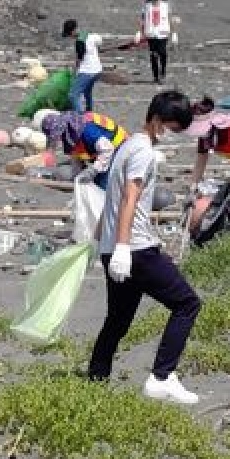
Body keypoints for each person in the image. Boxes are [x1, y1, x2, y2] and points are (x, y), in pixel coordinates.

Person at [88, 90, 203, 405]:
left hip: (115, 246)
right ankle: (162, 377)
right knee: (187, 304)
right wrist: (123, 247)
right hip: (135, 248)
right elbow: (128, 197)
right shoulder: (142, 152)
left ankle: (95, 380)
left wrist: (100, 241)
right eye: (172, 126)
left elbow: (110, 197)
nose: (173, 134)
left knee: (118, 318)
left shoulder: (125, 145)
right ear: (156, 119)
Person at [37, 109, 128, 189]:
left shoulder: (86, 128)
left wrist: (93, 170)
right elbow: (76, 155)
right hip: (104, 152)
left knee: (104, 185)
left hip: (120, 148)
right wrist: (77, 175)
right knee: (94, 182)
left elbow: (107, 149)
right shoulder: (69, 132)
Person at [137, 0, 178, 84]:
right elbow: (142, 17)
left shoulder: (166, 3)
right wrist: (139, 32)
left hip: (163, 32)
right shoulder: (147, 3)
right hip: (151, 32)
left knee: (163, 53)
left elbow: (170, 17)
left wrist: (174, 33)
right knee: (153, 55)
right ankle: (156, 76)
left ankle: (163, 72)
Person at [62, 19, 103, 113]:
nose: (70, 37)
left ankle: (81, 119)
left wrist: (74, 72)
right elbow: (99, 40)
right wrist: (96, 48)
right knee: (87, 92)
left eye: (69, 34)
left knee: (73, 95)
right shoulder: (89, 34)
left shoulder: (79, 42)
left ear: (73, 31)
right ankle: (90, 113)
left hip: (88, 71)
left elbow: (79, 59)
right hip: (97, 71)